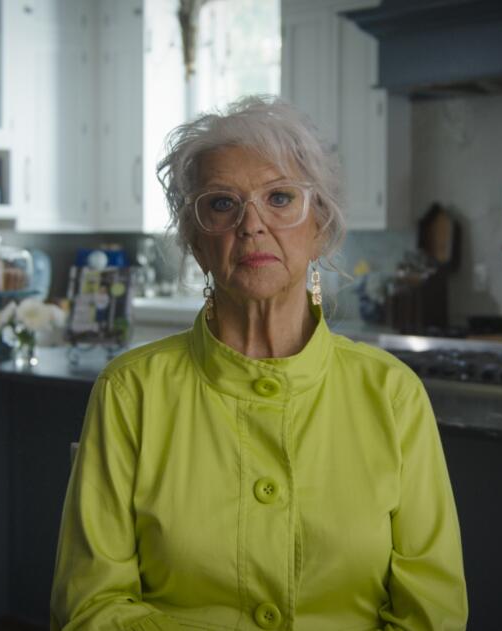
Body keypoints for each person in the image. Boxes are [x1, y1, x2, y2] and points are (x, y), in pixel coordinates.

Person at [50, 95, 468, 630]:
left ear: (319, 226)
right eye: (222, 204)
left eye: (279, 197)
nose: (252, 225)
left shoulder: (392, 394)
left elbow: (432, 613)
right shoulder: (131, 392)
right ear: (197, 242)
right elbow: (91, 607)